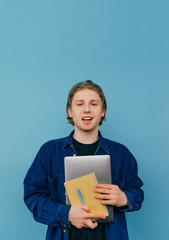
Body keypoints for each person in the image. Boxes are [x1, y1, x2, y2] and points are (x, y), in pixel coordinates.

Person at [24, 80, 144, 240]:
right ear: (70, 112)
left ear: (102, 111)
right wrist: (66, 214)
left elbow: (137, 193)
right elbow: (33, 197)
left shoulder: (121, 153)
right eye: (79, 104)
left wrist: (124, 198)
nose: (87, 109)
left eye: (94, 104)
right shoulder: (49, 151)